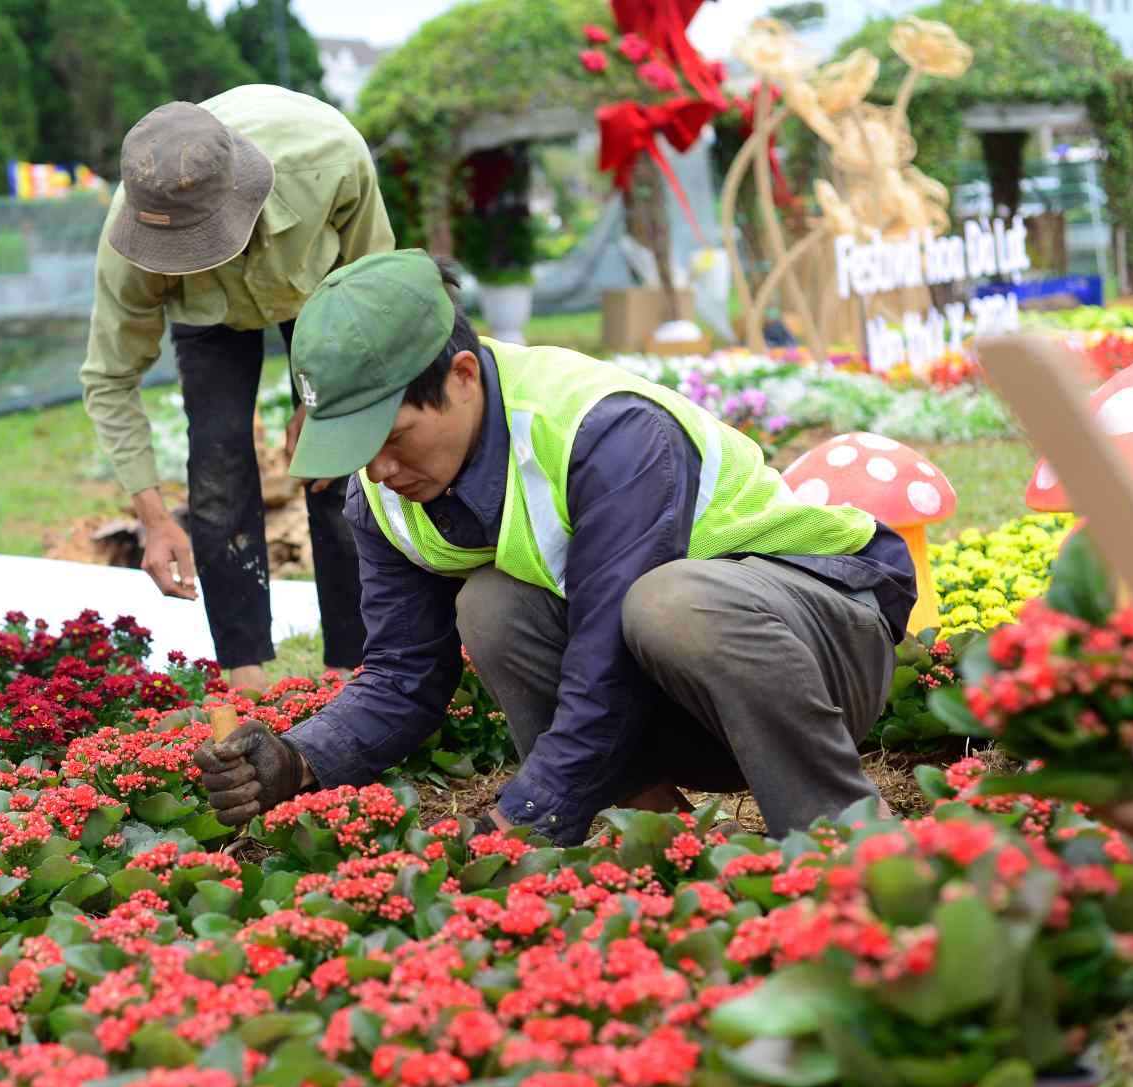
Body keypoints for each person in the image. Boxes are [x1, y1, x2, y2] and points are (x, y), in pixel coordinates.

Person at [192, 249, 921, 844]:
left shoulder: (603, 432)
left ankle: (848, 836)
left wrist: (521, 818)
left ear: (463, 378)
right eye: (355, 448)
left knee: (668, 601)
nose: (378, 468)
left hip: (826, 641)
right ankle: (644, 824)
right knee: (493, 605)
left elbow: (604, 661)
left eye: (390, 437)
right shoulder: (381, 492)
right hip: (685, 701)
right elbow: (402, 676)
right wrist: (295, 759)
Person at [79, 85, 394, 692]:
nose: (192, 252)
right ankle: (244, 677)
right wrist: (153, 517)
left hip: (323, 294)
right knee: (217, 463)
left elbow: (375, 292)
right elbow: (110, 375)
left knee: (336, 473)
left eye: (201, 242)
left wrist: (328, 400)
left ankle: (354, 671)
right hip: (209, 317)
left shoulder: (331, 160)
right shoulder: (136, 229)